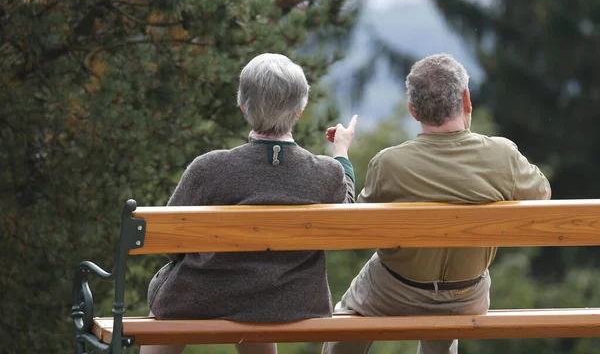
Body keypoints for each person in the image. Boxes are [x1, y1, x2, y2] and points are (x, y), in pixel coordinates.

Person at [322, 54, 551, 354]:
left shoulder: (389, 163)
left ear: (413, 110)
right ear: (466, 99)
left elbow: (355, 227)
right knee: (452, 301)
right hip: (467, 295)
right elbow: (542, 195)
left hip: (396, 289)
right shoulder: (502, 156)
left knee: (349, 313)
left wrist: (341, 151)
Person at [141, 53, 358, 354]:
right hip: (290, 301)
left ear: (242, 105)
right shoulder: (326, 173)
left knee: (173, 305)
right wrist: (342, 153)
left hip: (207, 295)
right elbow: (346, 214)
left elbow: (171, 243)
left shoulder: (208, 169)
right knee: (259, 296)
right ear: (299, 111)